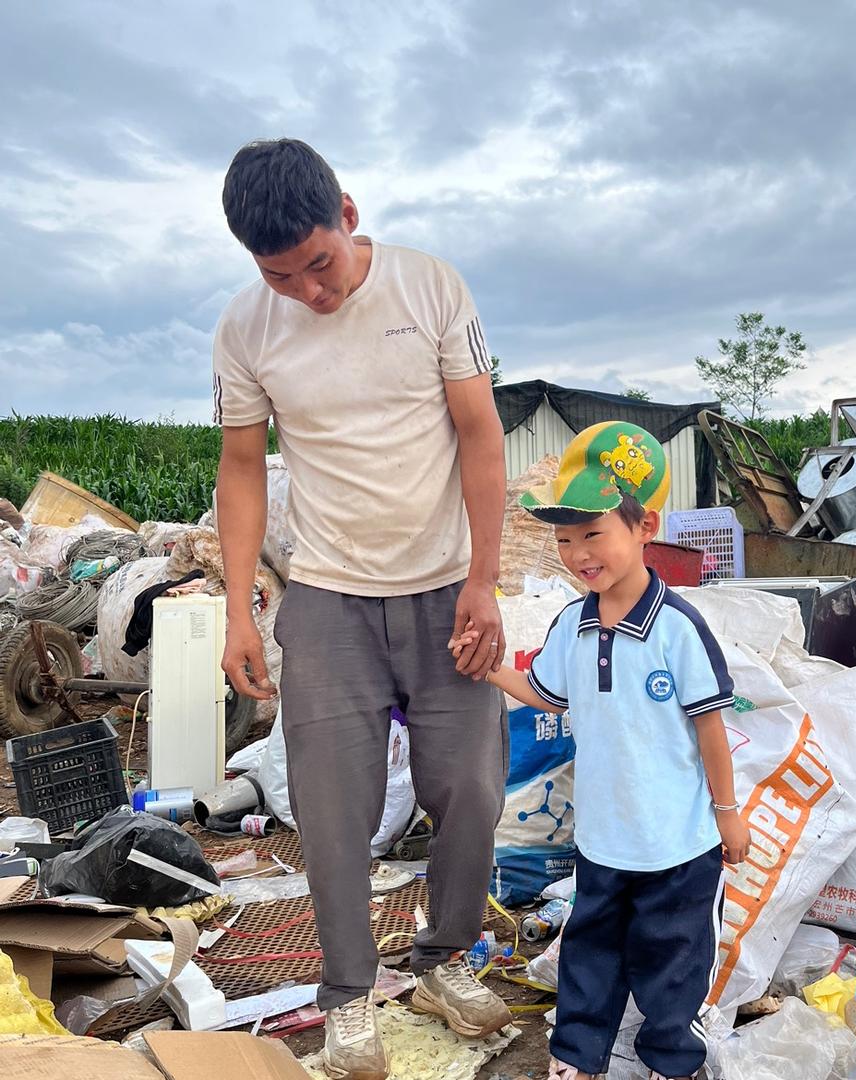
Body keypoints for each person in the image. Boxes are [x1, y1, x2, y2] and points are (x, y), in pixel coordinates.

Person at [212, 138, 512, 1080]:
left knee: (469, 787)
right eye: (281, 276)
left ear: (347, 211)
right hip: (330, 596)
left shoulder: (430, 288)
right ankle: (346, 996)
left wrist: (485, 577)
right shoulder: (245, 330)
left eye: (319, 264)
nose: (310, 292)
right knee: (332, 811)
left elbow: (479, 432)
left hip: (443, 589)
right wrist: (237, 612)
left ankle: (443, 961)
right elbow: (241, 468)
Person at [452, 422, 750, 1080]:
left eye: (593, 533)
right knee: (591, 954)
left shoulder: (678, 629)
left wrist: (727, 812)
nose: (578, 553)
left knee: (674, 963)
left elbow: (710, 728)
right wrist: (488, 669)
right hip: (604, 842)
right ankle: (575, 1059)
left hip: (679, 845)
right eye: (564, 538)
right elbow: (546, 694)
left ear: (645, 526)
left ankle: (671, 1062)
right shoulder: (573, 623)